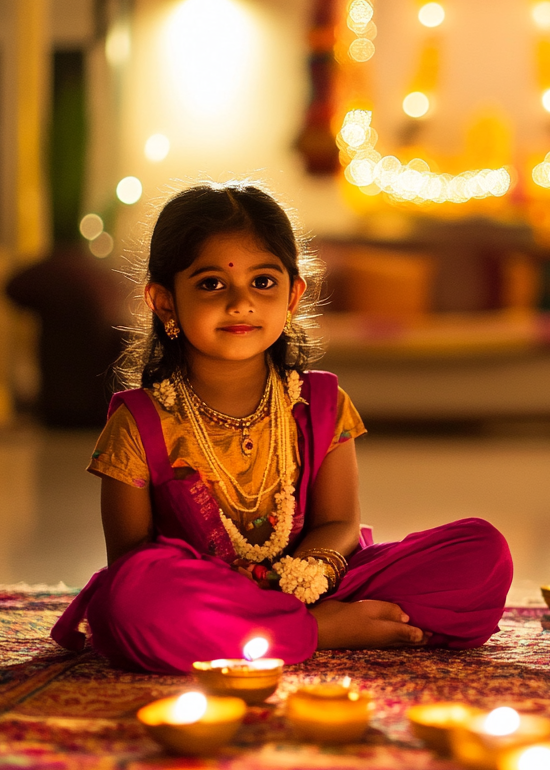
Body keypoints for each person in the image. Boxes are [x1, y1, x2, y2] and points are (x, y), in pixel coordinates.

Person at [51, 181, 512, 674]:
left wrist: (308, 571)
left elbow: (339, 524)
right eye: (211, 283)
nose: (241, 302)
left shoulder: (321, 403)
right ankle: (324, 631)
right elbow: (131, 565)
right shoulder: (140, 423)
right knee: (133, 603)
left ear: (293, 295)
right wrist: (278, 605)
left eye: (263, 282)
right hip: (204, 598)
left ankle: (280, 628)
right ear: (164, 302)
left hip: (317, 584)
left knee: (483, 552)